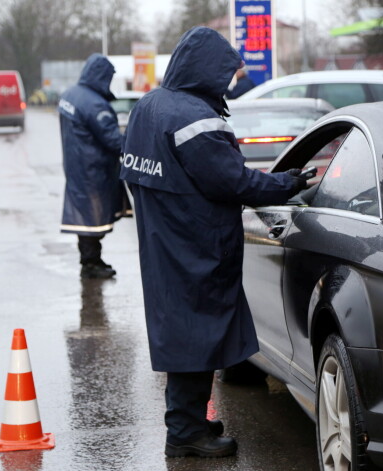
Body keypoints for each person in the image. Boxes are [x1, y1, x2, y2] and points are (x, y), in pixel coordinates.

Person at [120, 27, 307, 458]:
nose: (230, 83)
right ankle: (185, 435)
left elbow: (132, 175)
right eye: (227, 74)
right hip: (197, 244)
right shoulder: (194, 119)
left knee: (182, 331)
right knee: (196, 335)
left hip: (163, 239)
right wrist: (287, 183)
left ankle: (187, 423)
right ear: (206, 70)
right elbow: (233, 180)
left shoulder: (148, 107)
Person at [58, 53, 127, 279]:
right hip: (94, 171)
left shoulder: (70, 95)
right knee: (92, 219)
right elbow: (113, 141)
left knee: (85, 217)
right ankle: (91, 264)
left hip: (77, 166)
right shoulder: (95, 105)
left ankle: (91, 260)